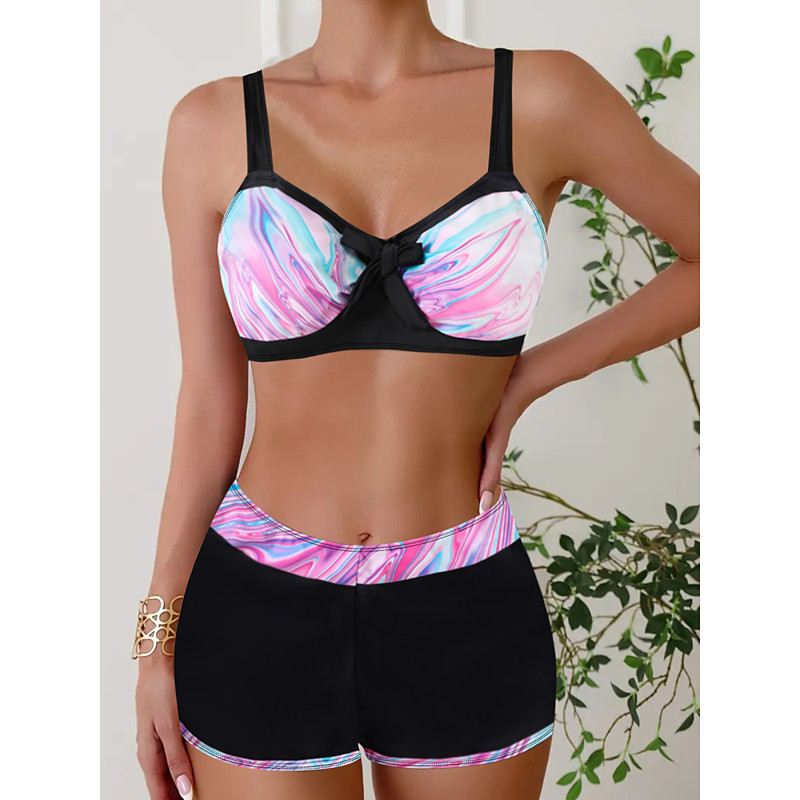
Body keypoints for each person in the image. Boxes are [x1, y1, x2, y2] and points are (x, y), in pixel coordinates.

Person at [133, 5, 700, 800]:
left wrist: (533, 375)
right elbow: (207, 402)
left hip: (463, 599)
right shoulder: (210, 125)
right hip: (256, 602)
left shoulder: (544, 97)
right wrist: (154, 642)